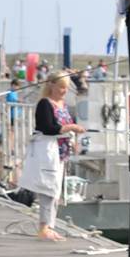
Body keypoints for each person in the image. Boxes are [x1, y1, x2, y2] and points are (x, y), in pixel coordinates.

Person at [22, 74, 86, 241]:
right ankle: (44, 227)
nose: (64, 91)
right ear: (51, 85)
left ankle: (50, 226)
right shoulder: (45, 104)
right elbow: (47, 127)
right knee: (48, 190)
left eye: (66, 88)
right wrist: (71, 127)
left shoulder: (63, 104)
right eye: (61, 87)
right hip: (48, 152)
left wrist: (73, 140)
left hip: (61, 152)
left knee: (56, 192)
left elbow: (63, 128)